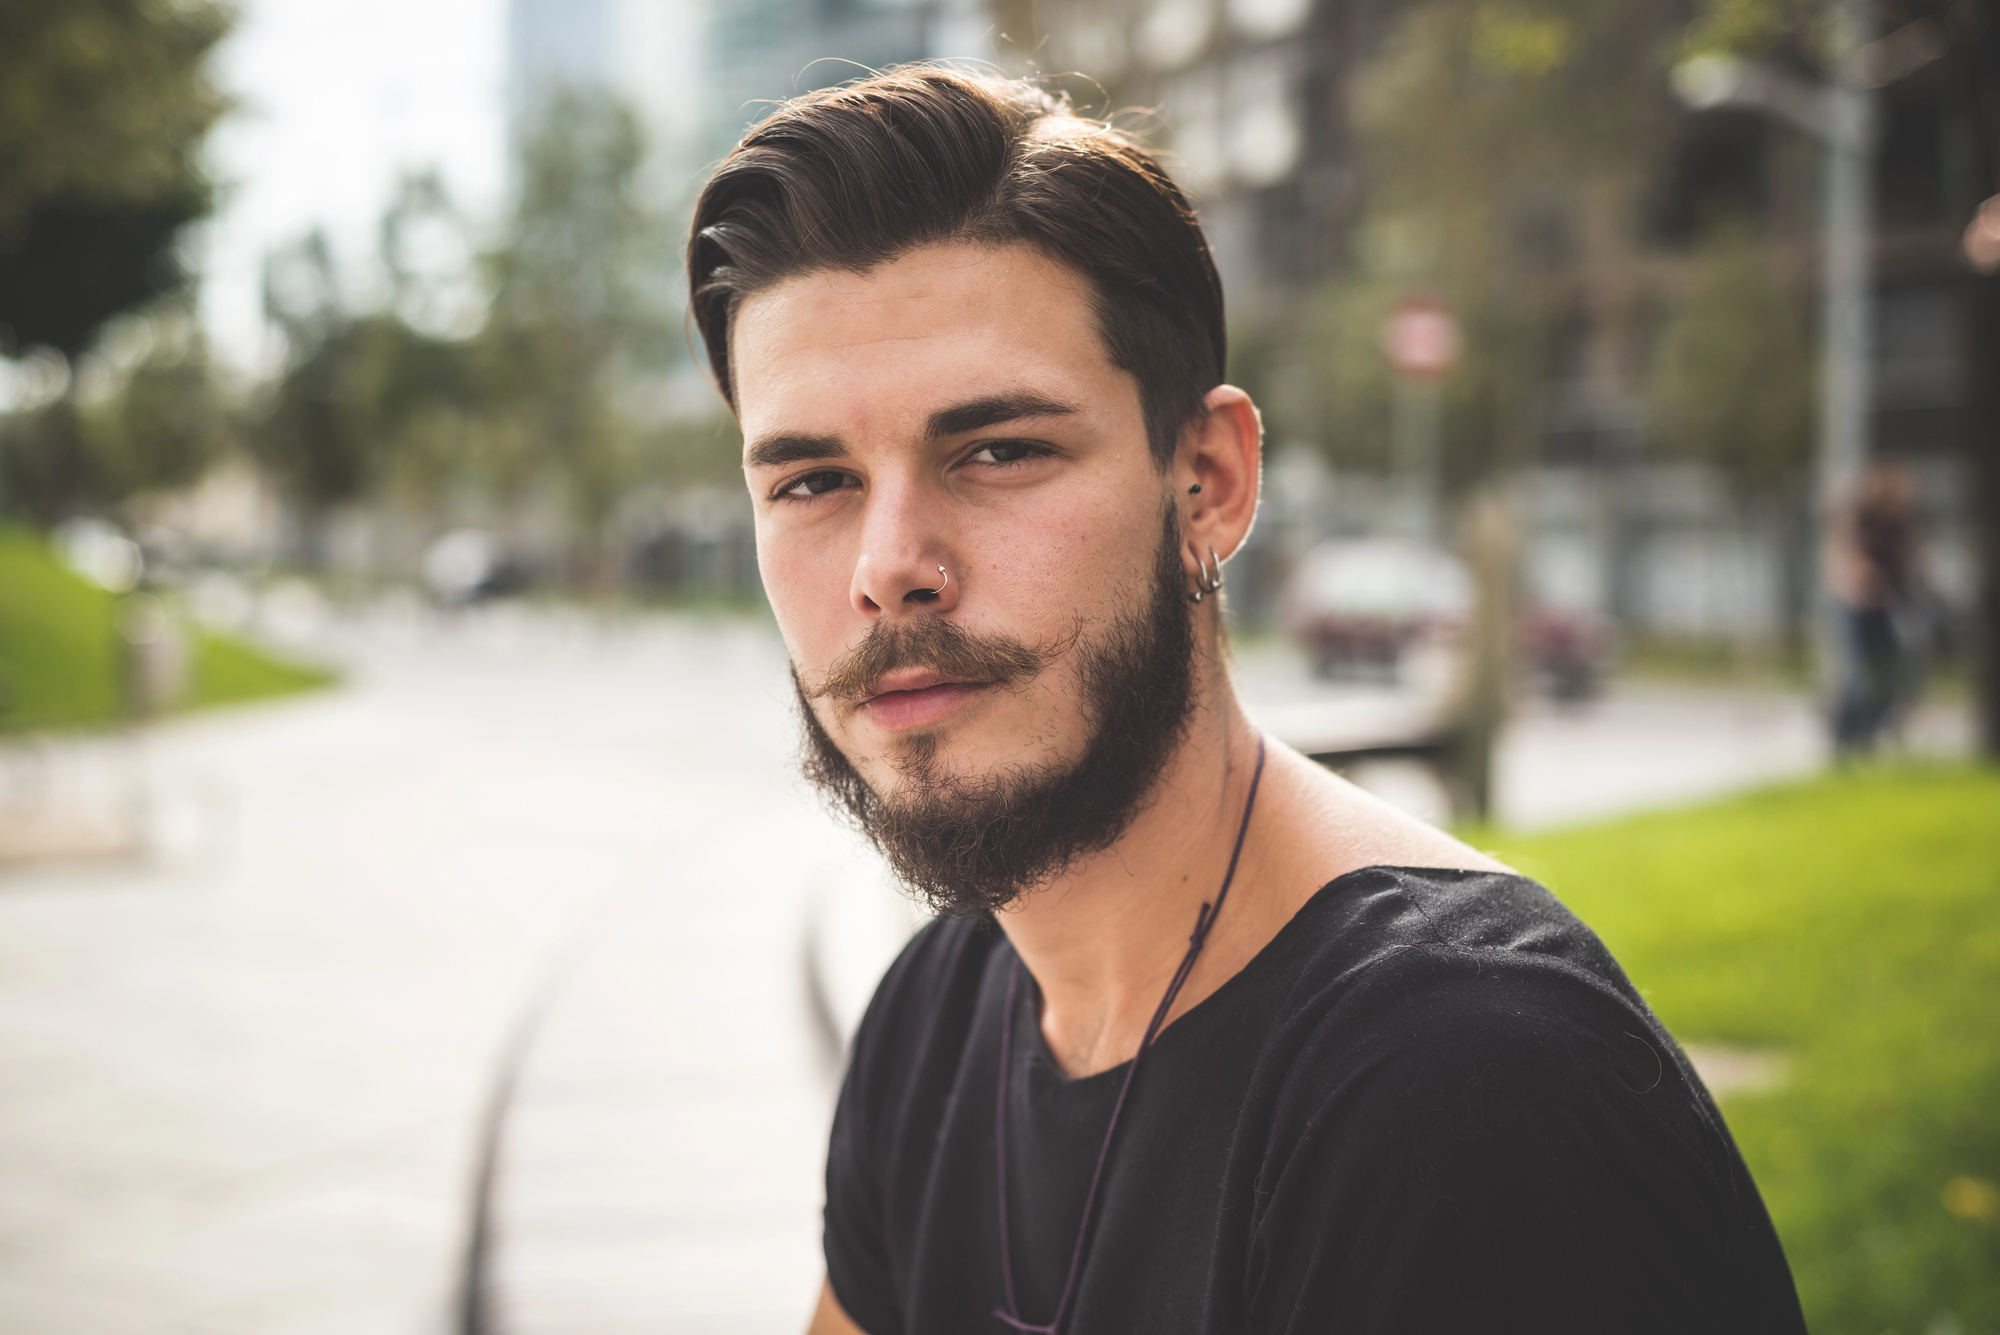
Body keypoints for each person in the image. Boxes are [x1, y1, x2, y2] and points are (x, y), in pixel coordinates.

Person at [688, 67, 1805, 1335]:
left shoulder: (1466, 1092)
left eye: (997, 450)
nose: (889, 568)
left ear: (1207, 482)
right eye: (811, 482)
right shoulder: (937, 1016)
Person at [1824, 456, 1927, 754]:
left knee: (1892, 675)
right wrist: (1859, 575)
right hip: (1856, 607)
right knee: (1857, 677)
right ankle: (1847, 738)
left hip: (1889, 607)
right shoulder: (1860, 517)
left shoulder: (1901, 523)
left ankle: (1869, 732)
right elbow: (1842, 555)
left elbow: (1912, 563)